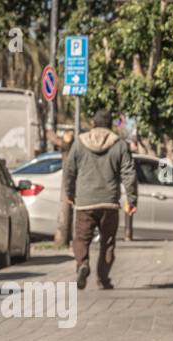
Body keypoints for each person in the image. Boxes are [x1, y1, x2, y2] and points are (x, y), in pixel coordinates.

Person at [62, 109, 136, 290]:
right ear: (111, 125)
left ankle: (83, 265)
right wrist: (131, 199)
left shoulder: (79, 143)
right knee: (108, 242)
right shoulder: (119, 144)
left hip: (85, 202)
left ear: (93, 124)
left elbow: (69, 170)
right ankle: (103, 279)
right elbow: (129, 173)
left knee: (81, 239)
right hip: (109, 202)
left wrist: (70, 193)